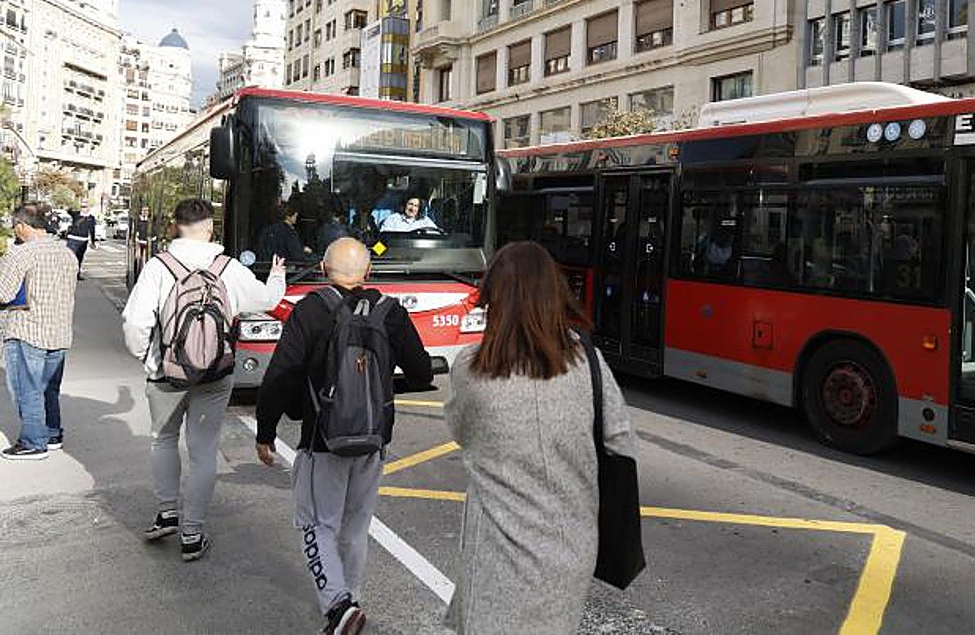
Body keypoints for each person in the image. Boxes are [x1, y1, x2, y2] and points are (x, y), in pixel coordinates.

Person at [444, 241, 637, 634]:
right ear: (555, 293)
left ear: (494, 298)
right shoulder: (589, 364)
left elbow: (462, 432)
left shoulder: (470, 368)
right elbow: (619, 443)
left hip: (496, 551)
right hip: (572, 548)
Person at [255, 238, 432, 635]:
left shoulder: (312, 310)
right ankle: (349, 599)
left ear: (322, 267)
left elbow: (281, 375)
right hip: (374, 440)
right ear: (369, 272)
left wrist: (265, 431)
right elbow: (421, 372)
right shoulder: (390, 312)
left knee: (318, 524)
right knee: (355, 527)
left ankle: (338, 608)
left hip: (323, 441)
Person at [122, 198, 286, 561]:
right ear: (210, 227)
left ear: (175, 226)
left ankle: (167, 512)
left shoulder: (157, 266)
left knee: (162, 440)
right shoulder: (228, 268)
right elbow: (268, 299)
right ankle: (193, 532)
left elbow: (135, 324)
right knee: (203, 450)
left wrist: (148, 360)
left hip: (166, 372)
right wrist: (277, 275)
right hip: (215, 371)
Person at [0, 203, 80, 460]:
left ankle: (33, 442)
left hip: (27, 329)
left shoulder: (22, 253)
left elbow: (4, 293)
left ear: (22, 226)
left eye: (15, 227)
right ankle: (52, 433)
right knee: (49, 387)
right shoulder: (66, 252)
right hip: (59, 331)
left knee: (27, 388)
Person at [65, 204, 97, 278]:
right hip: (73, 239)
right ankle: (68, 274)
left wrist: (93, 242)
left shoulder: (91, 218)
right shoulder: (76, 214)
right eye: (82, 207)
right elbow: (69, 211)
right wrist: (70, 208)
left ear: (88, 208)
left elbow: (92, 230)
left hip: (83, 240)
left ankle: (77, 274)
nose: (84, 209)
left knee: (79, 258)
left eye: (85, 207)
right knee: (70, 257)